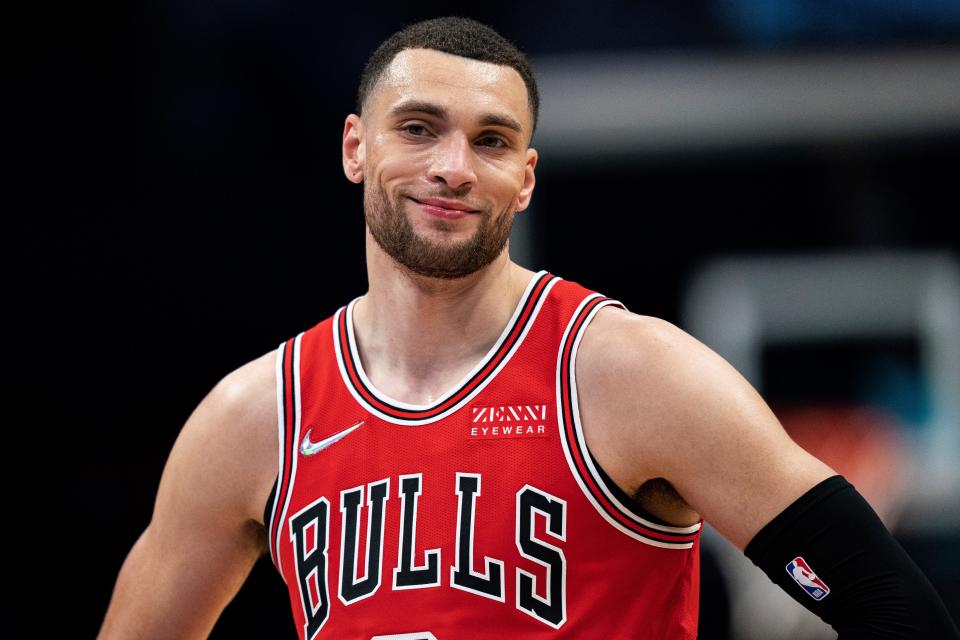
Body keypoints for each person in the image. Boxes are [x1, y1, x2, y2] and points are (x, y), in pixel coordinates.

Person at [98, 16, 958, 640]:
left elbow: (894, 610)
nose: (452, 167)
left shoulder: (630, 373)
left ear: (527, 178)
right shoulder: (255, 418)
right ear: (356, 147)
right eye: (420, 128)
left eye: (492, 140)